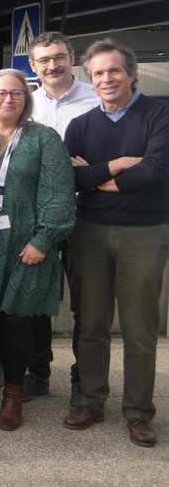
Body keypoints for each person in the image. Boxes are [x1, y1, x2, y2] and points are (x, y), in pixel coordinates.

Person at [63, 38, 169, 448]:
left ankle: (139, 412)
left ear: (132, 73)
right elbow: (70, 177)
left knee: (140, 328)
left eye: (114, 70)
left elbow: (156, 170)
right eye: (99, 73)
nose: (106, 78)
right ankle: (91, 400)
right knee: (91, 324)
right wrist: (122, 165)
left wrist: (98, 177)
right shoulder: (82, 125)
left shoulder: (160, 114)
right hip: (89, 230)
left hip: (144, 232)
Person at [0, 69, 74, 431]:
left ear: (26, 99)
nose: (8, 99)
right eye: (0, 93)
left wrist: (44, 240)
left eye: (16, 93)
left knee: (14, 321)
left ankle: (13, 394)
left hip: (26, 247)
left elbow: (58, 195)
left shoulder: (44, 139)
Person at [23, 31, 100, 406]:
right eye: (43, 60)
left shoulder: (95, 98)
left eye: (58, 57)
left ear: (73, 57)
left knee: (84, 303)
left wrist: (91, 170)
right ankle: (37, 372)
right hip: (39, 218)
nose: (52, 65)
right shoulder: (28, 104)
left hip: (86, 214)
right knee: (37, 298)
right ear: (33, 66)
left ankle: (83, 380)